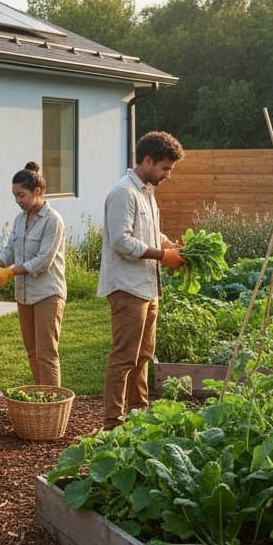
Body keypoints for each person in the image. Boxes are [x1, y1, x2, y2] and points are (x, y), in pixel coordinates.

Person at [98, 130, 185, 430]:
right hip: (127, 288)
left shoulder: (146, 192)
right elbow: (122, 241)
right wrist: (162, 256)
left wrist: (170, 245)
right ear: (148, 160)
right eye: (165, 168)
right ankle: (113, 423)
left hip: (148, 287)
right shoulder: (124, 192)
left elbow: (148, 235)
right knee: (124, 357)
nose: (167, 175)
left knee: (144, 355)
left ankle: (139, 416)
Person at [0, 162, 67, 387]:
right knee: (32, 352)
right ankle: (40, 396)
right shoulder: (19, 220)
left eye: (21, 195)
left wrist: (10, 272)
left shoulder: (53, 220)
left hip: (48, 293)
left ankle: (52, 404)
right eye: (15, 195)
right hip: (24, 295)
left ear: (37, 192)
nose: (18, 200)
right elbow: (10, 251)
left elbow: (43, 261)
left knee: (46, 353)